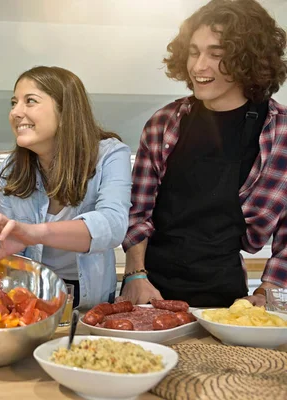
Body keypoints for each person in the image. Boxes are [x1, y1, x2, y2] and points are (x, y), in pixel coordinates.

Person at [121, 0, 287, 308]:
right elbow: (137, 211)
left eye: (217, 54)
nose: (199, 67)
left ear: (248, 60)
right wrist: (134, 276)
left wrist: (268, 290)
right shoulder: (164, 123)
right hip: (149, 291)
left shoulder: (281, 134)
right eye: (194, 52)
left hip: (226, 296)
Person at [0, 66, 132, 309]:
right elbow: (11, 243)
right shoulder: (11, 169)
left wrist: (34, 232)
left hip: (92, 300)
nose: (16, 112)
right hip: (33, 297)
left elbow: (112, 225)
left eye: (30, 101)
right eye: (14, 102)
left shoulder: (110, 155)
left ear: (65, 111)